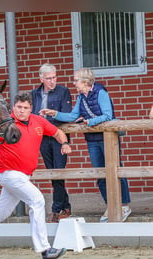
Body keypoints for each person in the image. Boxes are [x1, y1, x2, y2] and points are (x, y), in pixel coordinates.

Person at [0, 91, 70, 259]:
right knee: (37, 200)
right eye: (18, 107)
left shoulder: (38, 121)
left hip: (24, 175)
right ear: (13, 107)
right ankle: (44, 250)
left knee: (1, 212)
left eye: (25, 108)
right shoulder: (5, 121)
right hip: (8, 173)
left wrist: (64, 144)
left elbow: (58, 132)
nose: (21, 111)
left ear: (30, 109)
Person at [40, 68, 132, 223]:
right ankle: (110, 205)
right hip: (92, 139)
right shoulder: (81, 97)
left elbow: (108, 115)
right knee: (100, 174)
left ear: (85, 81)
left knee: (116, 170)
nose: (74, 83)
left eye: (76, 80)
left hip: (108, 138)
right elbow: (73, 116)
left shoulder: (101, 93)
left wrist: (91, 122)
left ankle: (123, 205)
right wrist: (53, 113)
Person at [31, 63, 73, 223]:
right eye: (48, 78)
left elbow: (66, 114)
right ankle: (66, 206)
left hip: (58, 136)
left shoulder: (63, 91)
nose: (52, 81)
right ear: (41, 78)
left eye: (54, 77)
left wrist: (48, 116)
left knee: (58, 171)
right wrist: (40, 119)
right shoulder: (34, 94)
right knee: (52, 173)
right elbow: (31, 115)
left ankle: (56, 210)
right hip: (42, 137)